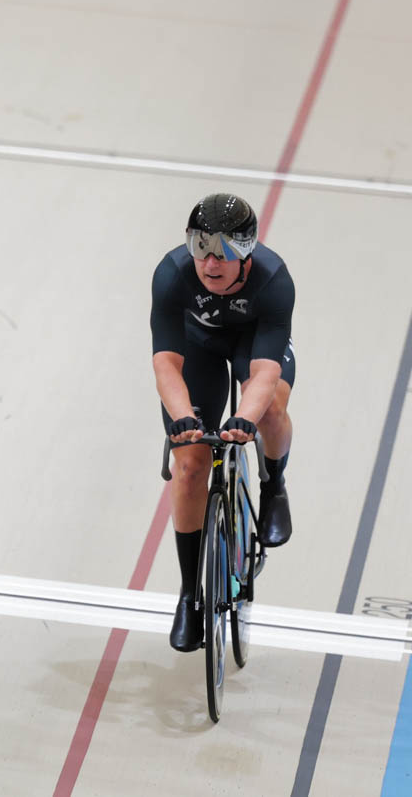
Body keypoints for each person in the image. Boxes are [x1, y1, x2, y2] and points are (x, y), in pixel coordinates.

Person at [150, 193, 295, 652]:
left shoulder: (273, 280)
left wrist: (244, 420)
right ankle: (191, 594)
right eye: (200, 247)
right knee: (191, 465)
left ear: (246, 252)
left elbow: (265, 374)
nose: (210, 262)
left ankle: (274, 484)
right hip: (199, 348)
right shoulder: (172, 275)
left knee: (270, 407)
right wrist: (185, 418)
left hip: (253, 346)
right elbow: (167, 365)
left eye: (224, 251)